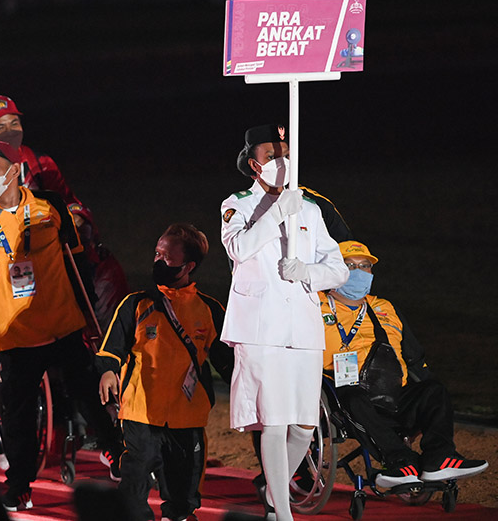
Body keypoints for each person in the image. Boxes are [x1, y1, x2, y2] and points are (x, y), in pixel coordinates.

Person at [0, 138, 121, 511]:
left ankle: (118, 454)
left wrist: (90, 316)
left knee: (89, 396)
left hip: (64, 325)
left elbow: (77, 264)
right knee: (16, 415)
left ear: (15, 171)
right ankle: (19, 485)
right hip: (14, 337)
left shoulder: (52, 206)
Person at [0, 95, 128, 471]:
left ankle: (103, 438)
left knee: (77, 361)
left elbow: (70, 203)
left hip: (49, 278)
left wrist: (76, 219)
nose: (9, 131)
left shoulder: (41, 163)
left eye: (14, 122)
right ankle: (10, 446)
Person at [220, 123, 348, 521]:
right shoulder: (237, 204)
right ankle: (282, 513)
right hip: (261, 327)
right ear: (254, 165)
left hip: (303, 325)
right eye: (273, 156)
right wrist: (275, 211)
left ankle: (274, 489)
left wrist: (307, 271)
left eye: (286, 154)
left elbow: (339, 268)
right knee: (273, 422)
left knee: (304, 426)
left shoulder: (309, 208)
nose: (282, 162)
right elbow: (239, 248)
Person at [321, 240, 488, 487]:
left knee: (434, 391)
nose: (359, 271)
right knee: (353, 397)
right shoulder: (314, 306)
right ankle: (400, 462)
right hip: (343, 396)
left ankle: (440, 459)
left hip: (392, 392)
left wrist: (427, 393)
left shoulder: (384, 307)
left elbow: (415, 357)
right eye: (349, 265)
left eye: (365, 265)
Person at [96, 223, 234, 521]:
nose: (158, 261)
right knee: (135, 475)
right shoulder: (136, 304)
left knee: (184, 482)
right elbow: (111, 348)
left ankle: (180, 515)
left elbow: (228, 361)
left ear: (189, 266)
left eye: (167, 257)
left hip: (188, 414)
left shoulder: (209, 310)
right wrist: (108, 372)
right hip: (141, 411)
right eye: (157, 253)